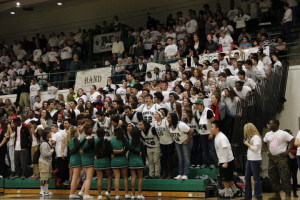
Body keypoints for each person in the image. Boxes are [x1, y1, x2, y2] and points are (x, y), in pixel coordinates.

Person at [263, 119, 294, 200]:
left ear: (276, 124)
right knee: (273, 176)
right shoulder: (268, 134)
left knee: (284, 176)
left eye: (271, 124)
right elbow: (264, 142)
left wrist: (287, 151)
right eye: (268, 124)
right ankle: (277, 195)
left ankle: (288, 195)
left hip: (281, 158)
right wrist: (267, 152)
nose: (269, 126)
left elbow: (292, 140)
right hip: (272, 158)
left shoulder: (283, 133)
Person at [211, 120, 240, 198]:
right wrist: (220, 161)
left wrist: (225, 162)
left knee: (225, 179)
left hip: (227, 160)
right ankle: (236, 191)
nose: (211, 129)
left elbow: (225, 149)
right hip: (223, 160)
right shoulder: (217, 136)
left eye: (212, 127)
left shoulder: (221, 137)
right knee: (228, 177)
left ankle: (227, 195)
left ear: (217, 128)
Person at [167, 113, 193, 180]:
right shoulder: (169, 125)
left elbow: (190, 131)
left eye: (169, 117)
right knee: (180, 158)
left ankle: (185, 174)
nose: (167, 119)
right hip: (178, 142)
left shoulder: (181, 125)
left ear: (173, 118)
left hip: (185, 142)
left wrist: (187, 140)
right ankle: (180, 173)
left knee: (186, 158)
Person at [243, 123, 262, 200]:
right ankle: (248, 196)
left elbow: (256, 149)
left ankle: (258, 196)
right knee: (247, 178)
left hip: (255, 159)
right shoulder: (251, 138)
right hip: (250, 159)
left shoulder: (256, 137)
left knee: (256, 179)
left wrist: (247, 144)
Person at [110, 127, 130, 199]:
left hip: (114, 161)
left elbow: (110, 151)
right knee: (125, 178)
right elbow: (127, 147)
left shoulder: (111, 140)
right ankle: (126, 193)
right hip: (123, 160)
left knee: (117, 178)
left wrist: (114, 153)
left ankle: (117, 195)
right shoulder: (124, 139)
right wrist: (122, 152)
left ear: (115, 133)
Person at [153, 110, 174, 179]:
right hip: (162, 143)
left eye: (156, 114)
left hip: (170, 142)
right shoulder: (155, 123)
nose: (155, 116)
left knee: (169, 159)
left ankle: (170, 173)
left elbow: (171, 131)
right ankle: (164, 173)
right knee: (164, 159)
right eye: (154, 114)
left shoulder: (165, 121)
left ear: (160, 115)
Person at [94, 128, 112, 200]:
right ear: (104, 134)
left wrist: (97, 156)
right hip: (106, 161)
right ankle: (108, 192)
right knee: (109, 177)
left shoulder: (94, 141)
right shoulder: (106, 141)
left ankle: (99, 195)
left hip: (97, 161)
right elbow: (109, 151)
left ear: (97, 134)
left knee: (99, 178)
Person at [128, 127, 145, 199]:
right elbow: (143, 153)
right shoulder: (140, 142)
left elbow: (128, 152)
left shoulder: (129, 141)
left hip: (131, 161)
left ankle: (133, 194)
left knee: (133, 177)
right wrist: (144, 163)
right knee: (140, 178)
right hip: (139, 161)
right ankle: (139, 194)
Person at [78, 123, 95, 199]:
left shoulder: (81, 139)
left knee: (87, 177)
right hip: (90, 159)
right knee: (89, 178)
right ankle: (86, 194)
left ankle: (81, 191)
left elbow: (79, 149)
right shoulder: (92, 140)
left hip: (83, 160)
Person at [67, 127, 84, 199]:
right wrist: (85, 139)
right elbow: (79, 145)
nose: (78, 133)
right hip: (76, 158)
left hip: (72, 159)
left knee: (79, 176)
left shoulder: (69, 139)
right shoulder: (75, 139)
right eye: (77, 132)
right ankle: (71, 193)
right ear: (74, 133)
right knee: (75, 177)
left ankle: (73, 191)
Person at [39, 129, 54, 196]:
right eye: (50, 133)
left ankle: (46, 190)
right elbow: (45, 154)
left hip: (48, 162)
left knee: (48, 177)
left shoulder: (48, 142)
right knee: (43, 177)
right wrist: (51, 151)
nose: (51, 133)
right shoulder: (44, 143)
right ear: (47, 134)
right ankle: (42, 191)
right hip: (44, 162)